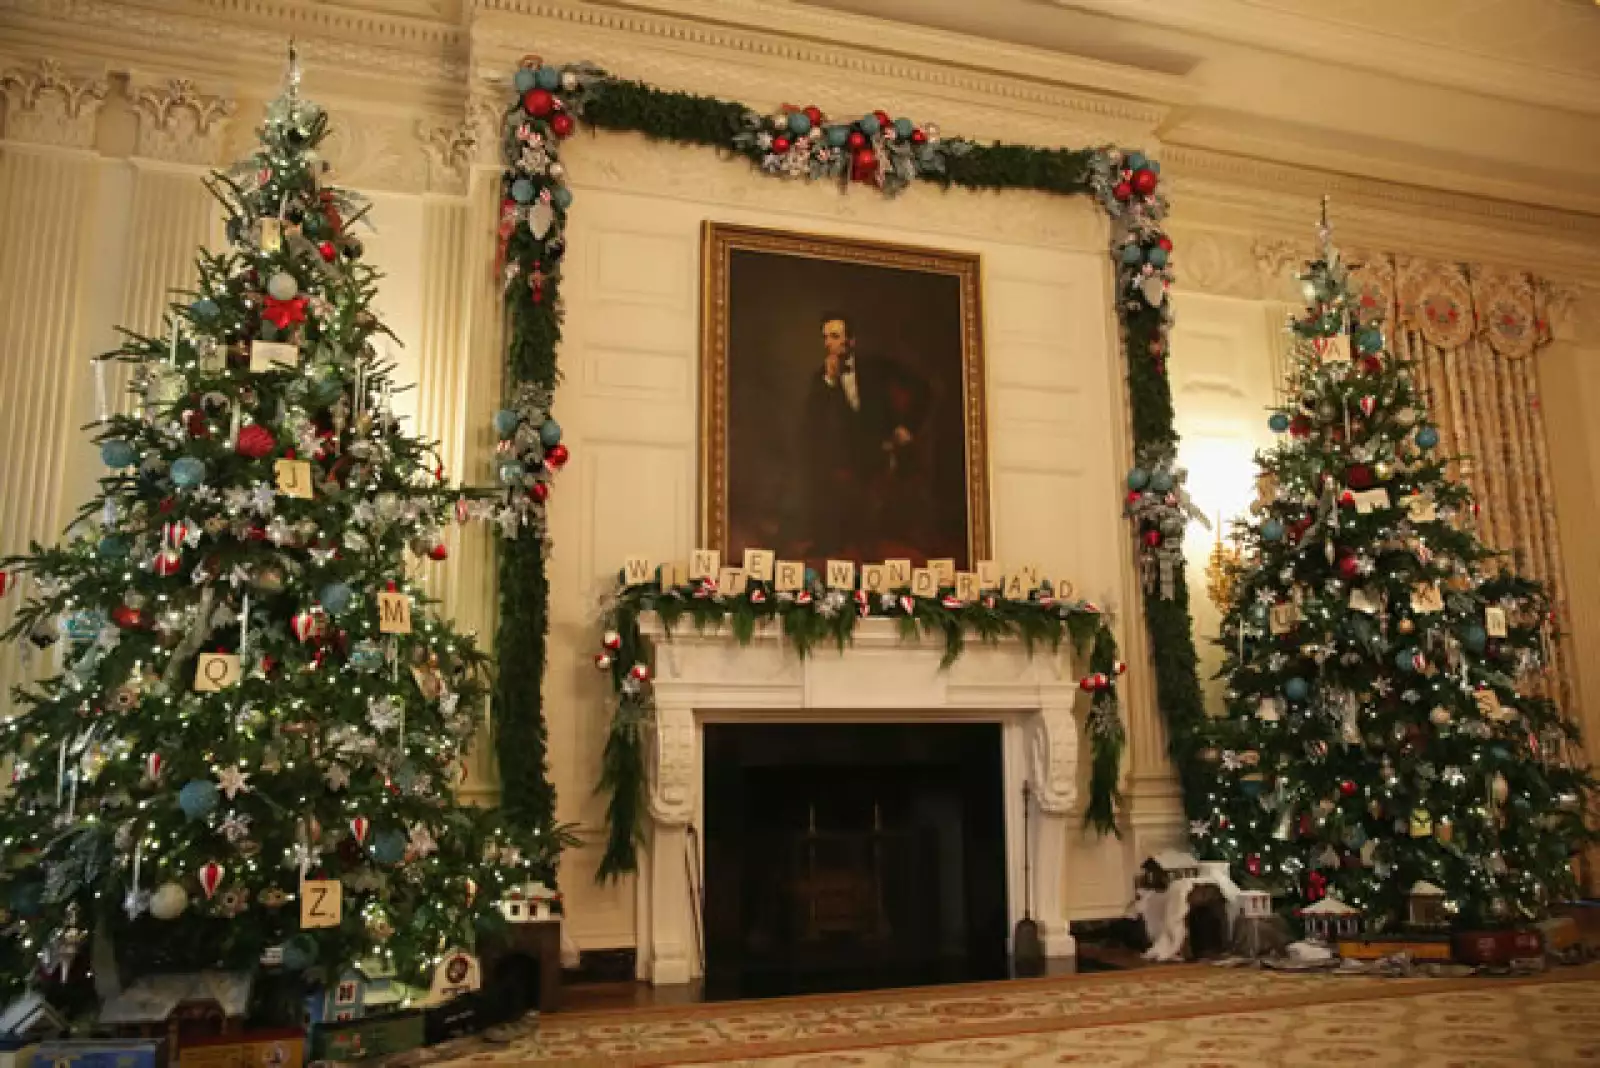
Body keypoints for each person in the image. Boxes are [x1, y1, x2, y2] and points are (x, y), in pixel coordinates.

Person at [799, 313, 928, 559]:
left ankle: (881, 542)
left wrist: (907, 427)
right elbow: (812, 422)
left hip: (884, 447)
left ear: (851, 341)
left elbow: (923, 388)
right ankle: (834, 542)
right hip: (844, 455)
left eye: (835, 336)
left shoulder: (876, 367)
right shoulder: (821, 378)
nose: (828, 343)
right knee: (818, 466)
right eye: (825, 337)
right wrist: (829, 382)